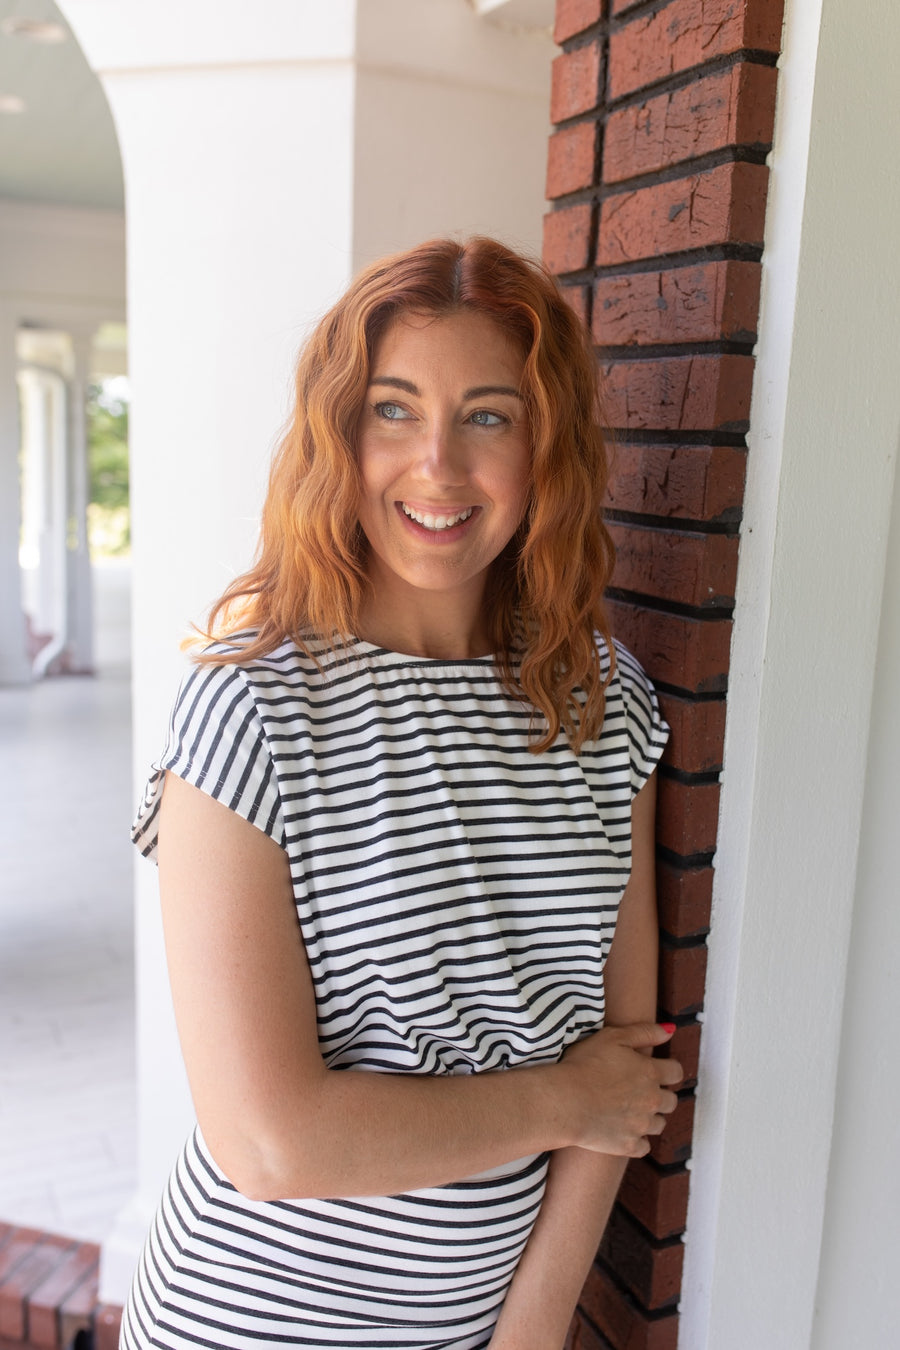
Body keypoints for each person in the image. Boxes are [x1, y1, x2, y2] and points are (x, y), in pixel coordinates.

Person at [122, 236, 682, 1350]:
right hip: (247, 1322)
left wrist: (530, 1327)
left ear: (544, 447)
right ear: (339, 435)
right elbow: (271, 1142)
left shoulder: (605, 703)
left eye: (489, 415)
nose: (437, 463)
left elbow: (626, 1051)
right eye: (392, 410)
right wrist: (562, 1098)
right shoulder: (250, 713)